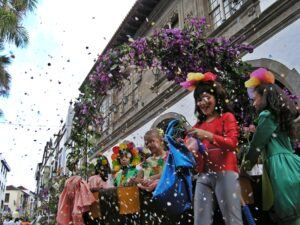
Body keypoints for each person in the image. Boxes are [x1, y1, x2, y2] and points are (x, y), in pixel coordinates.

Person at [180, 72, 243, 225]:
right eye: (199, 100)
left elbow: (232, 143)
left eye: (207, 97)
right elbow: (190, 150)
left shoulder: (226, 117)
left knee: (232, 220)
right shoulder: (197, 126)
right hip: (203, 176)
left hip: (225, 172)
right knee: (200, 221)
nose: (202, 102)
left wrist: (207, 135)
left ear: (217, 98)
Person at [242, 68, 300, 225]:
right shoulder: (280, 115)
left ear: (264, 97)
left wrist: (245, 166)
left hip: (280, 169)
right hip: (292, 164)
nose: (253, 103)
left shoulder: (266, 115)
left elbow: (256, 145)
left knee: (290, 215)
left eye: (255, 99)